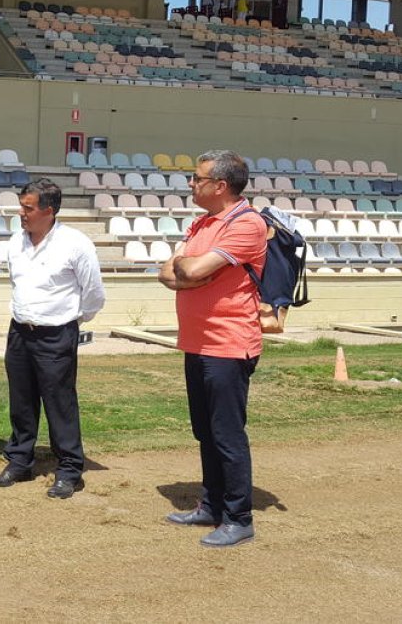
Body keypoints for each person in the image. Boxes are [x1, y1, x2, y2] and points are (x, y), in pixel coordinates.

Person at [158, 150, 267, 548]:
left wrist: (191, 270)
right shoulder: (203, 222)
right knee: (205, 431)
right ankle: (213, 504)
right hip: (198, 342)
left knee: (226, 434)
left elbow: (191, 270)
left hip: (228, 343)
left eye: (196, 178)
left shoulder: (247, 223)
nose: (190, 184)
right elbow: (168, 272)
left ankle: (239, 516)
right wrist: (190, 271)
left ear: (220, 185)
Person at [0, 178, 105, 499]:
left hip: (57, 335)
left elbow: (93, 294)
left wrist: (71, 320)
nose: (21, 214)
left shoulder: (76, 244)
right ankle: (19, 462)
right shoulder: (15, 242)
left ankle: (69, 470)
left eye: (28, 208)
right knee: (21, 402)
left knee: (60, 404)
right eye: (21, 207)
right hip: (19, 333)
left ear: (48, 211)